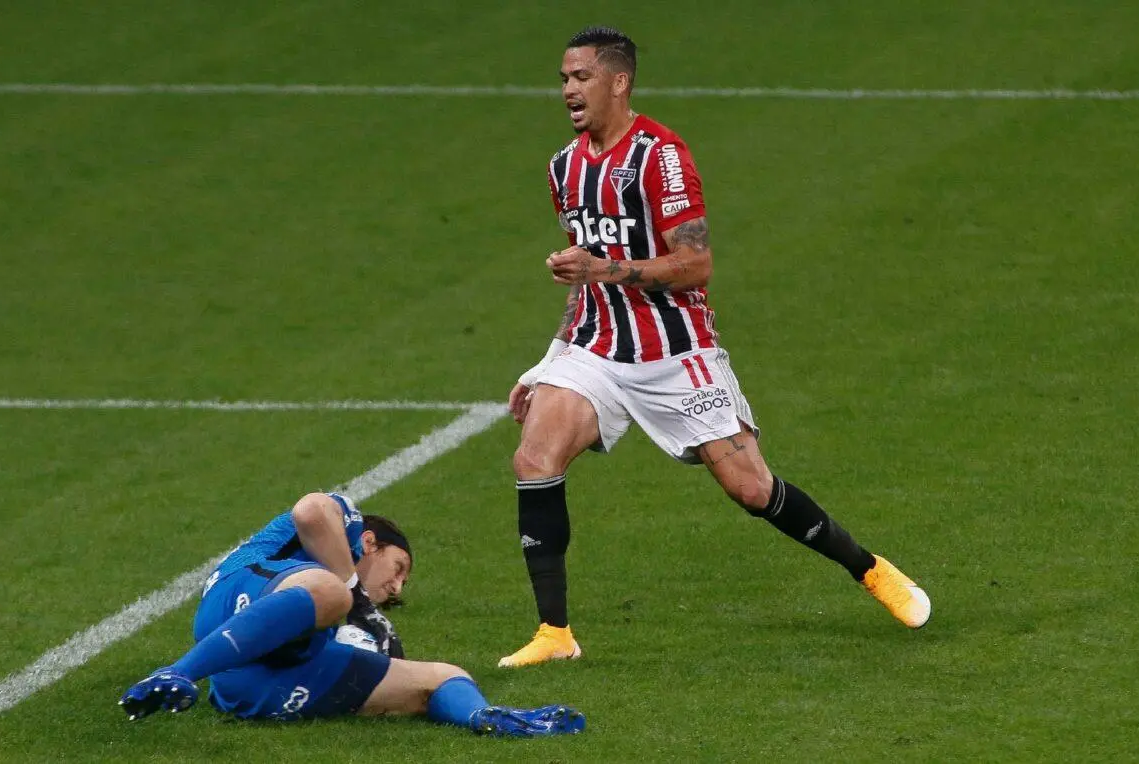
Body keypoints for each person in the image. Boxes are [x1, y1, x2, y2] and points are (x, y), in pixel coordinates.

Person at [499, 26, 931, 668]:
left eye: (581, 77)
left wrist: (601, 271)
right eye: (563, 78)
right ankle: (554, 635)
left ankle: (869, 570)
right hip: (596, 348)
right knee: (534, 458)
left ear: (619, 81)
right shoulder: (564, 167)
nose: (567, 90)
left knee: (751, 489)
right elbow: (585, 276)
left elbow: (694, 264)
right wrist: (551, 358)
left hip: (677, 354)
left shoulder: (661, 156)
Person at [120, 491, 585, 737]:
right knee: (331, 593)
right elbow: (309, 510)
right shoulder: (347, 523)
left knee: (443, 677)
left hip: (255, 685)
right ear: (369, 543)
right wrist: (355, 594)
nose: (397, 586)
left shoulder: (340, 600)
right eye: (398, 568)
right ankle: (176, 672)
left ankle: (487, 719)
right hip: (236, 602)